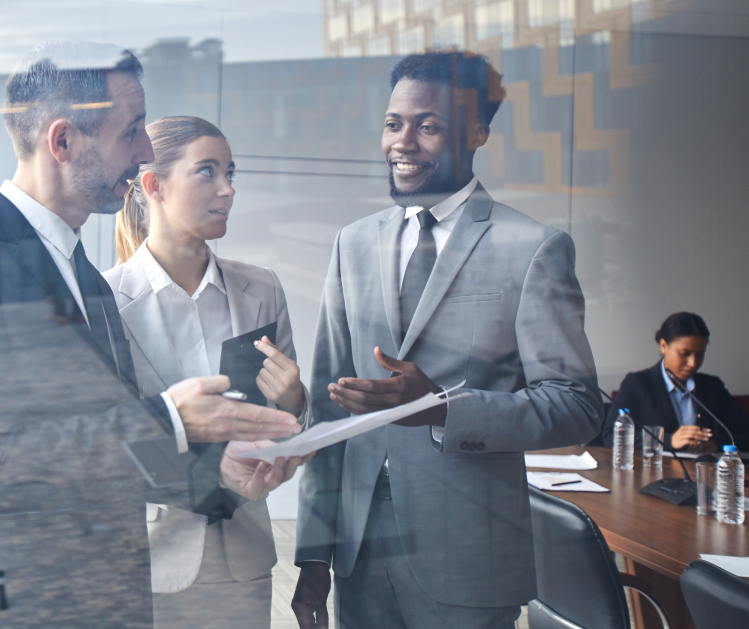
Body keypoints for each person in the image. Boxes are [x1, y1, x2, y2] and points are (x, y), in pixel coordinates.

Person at [0, 40, 304, 629]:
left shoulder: (90, 282)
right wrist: (172, 418)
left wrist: (224, 472)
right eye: (131, 131)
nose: (142, 154)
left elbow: (105, 454)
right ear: (62, 142)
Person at [291, 50, 603, 629]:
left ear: (478, 134)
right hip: (360, 557)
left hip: (468, 559)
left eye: (428, 126)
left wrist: (441, 409)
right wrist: (314, 552)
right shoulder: (352, 243)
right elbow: (327, 410)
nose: (402, 142)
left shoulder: (532, 247)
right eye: (393, 123)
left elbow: (577, 405)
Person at [102, 115, 309, 629]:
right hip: (142, 558)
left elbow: (285, 424)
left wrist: (293, 404)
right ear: (154, 185)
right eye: (208, 172)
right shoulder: (102, 301)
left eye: (231, 172)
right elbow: (102, 442)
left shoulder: (263, 289)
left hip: (242, 555)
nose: (228, 189)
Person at [603, 312, 749, 453]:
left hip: (703, 472)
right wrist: (669, 440)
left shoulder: (712, 387)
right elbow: (611, 437)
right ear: (663, 346)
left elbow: (745, 433)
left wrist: (717, 444)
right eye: (684, 354)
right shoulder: (637, 383)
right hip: (655, 472)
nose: (693, 363)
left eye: (700, 355)